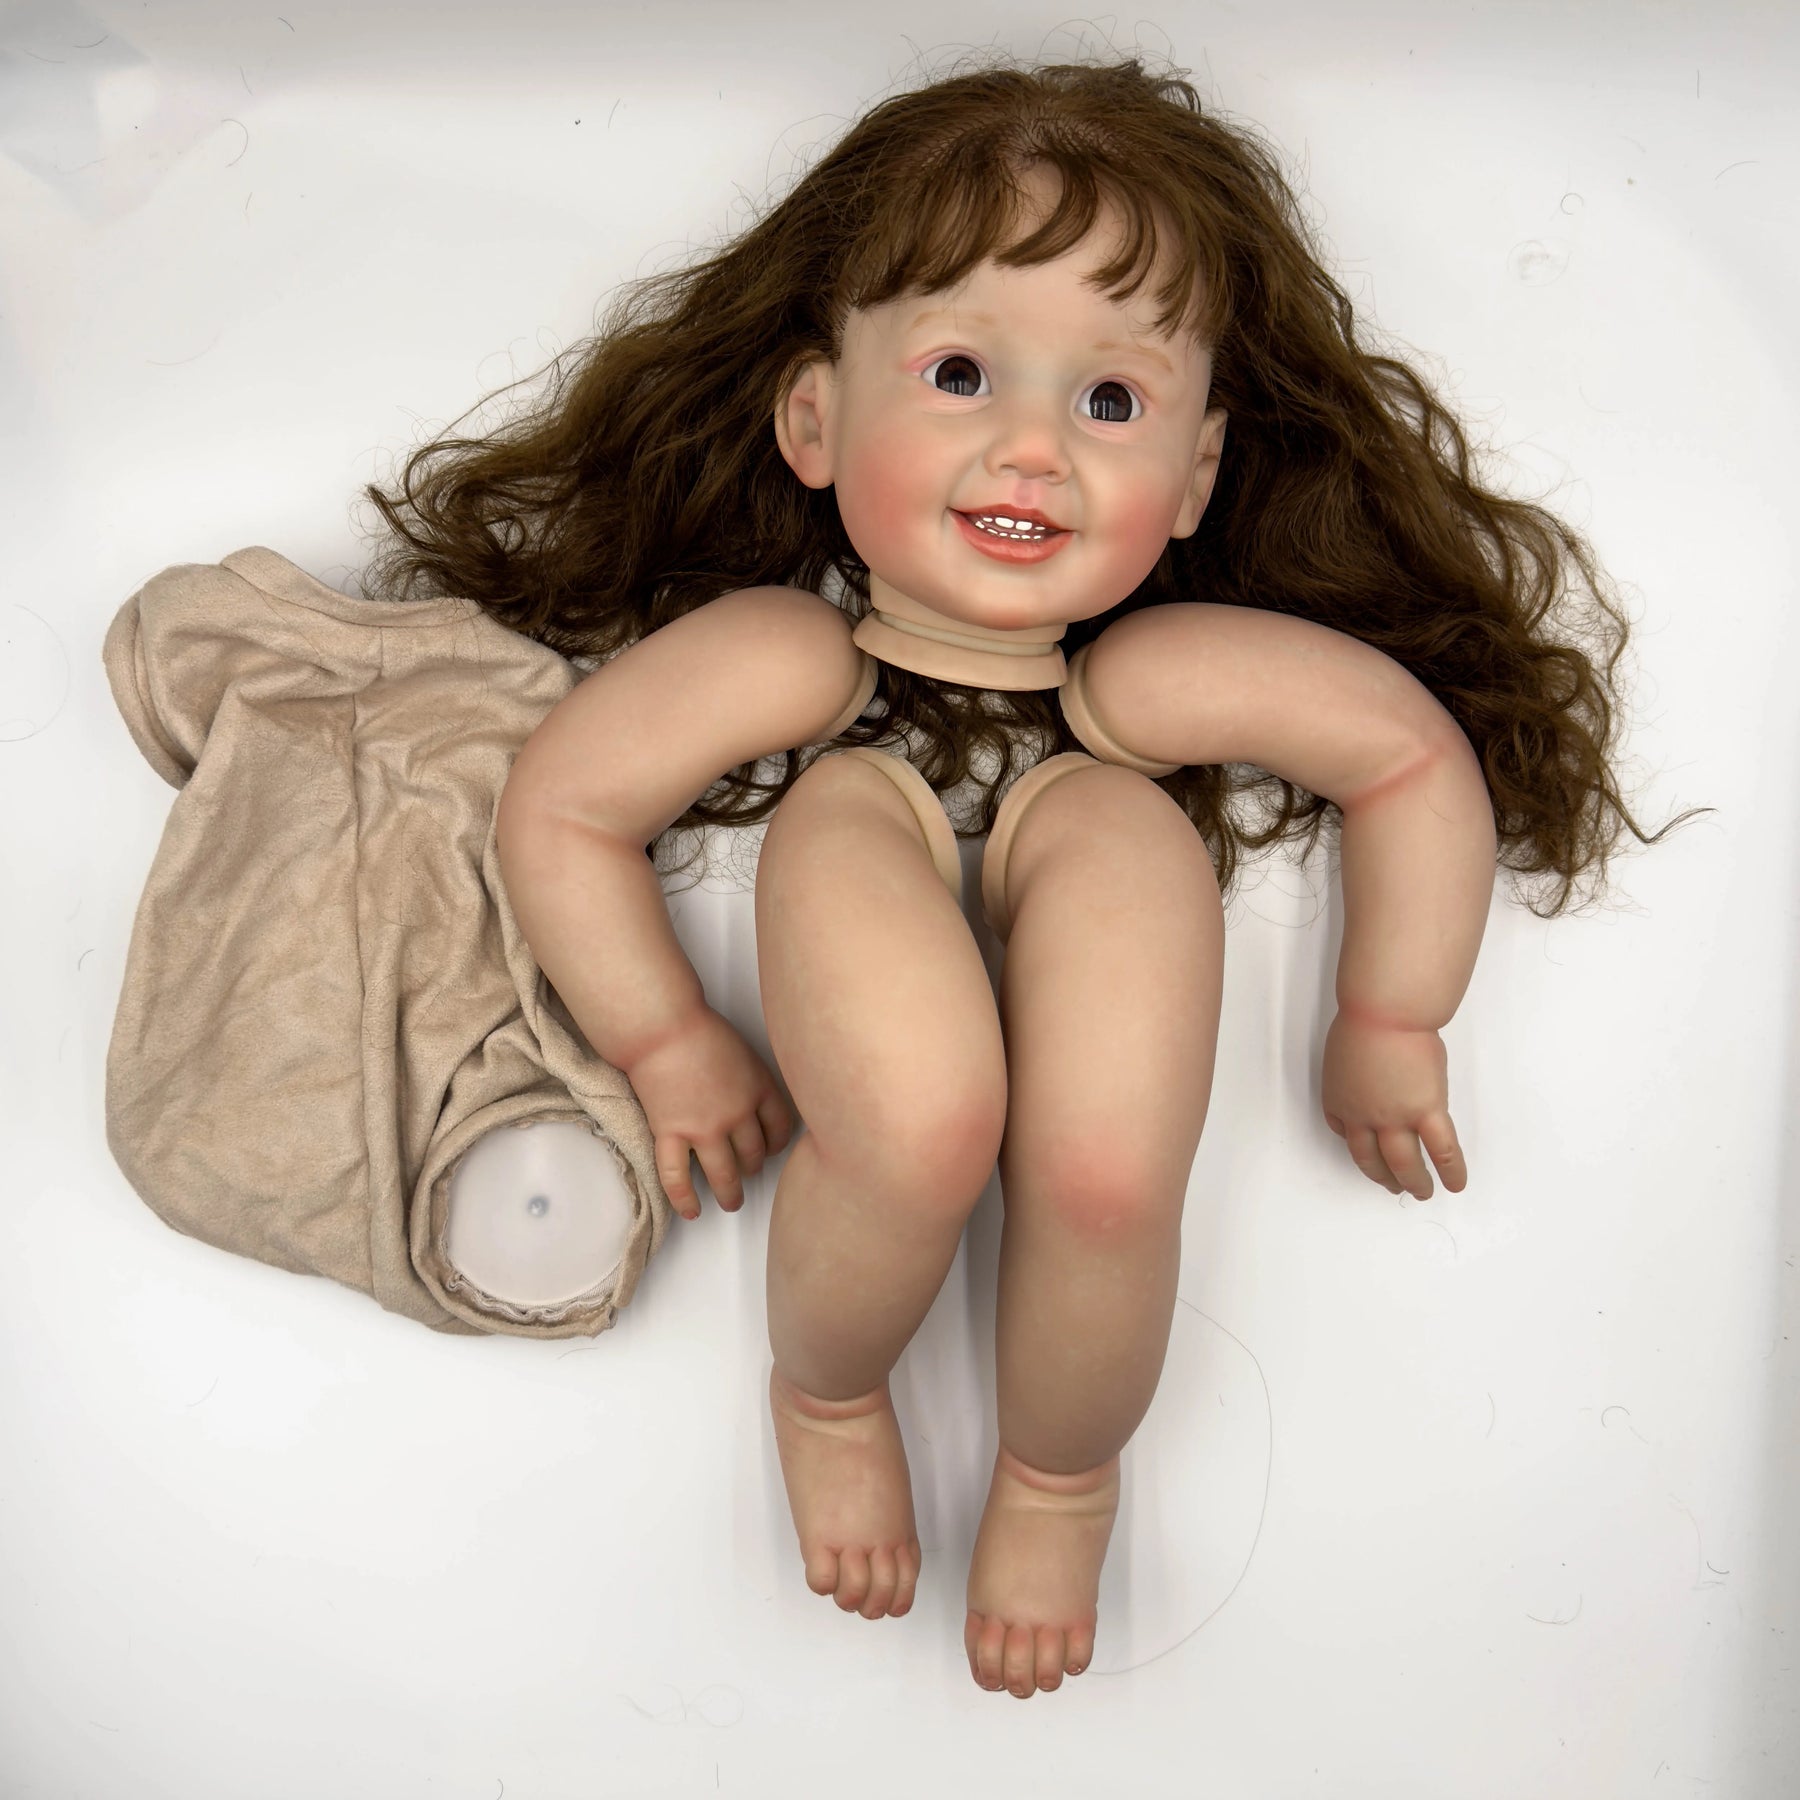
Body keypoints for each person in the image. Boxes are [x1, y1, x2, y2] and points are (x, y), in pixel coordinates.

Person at [357, 55, 1696, 1700]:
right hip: (868, 810)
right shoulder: (789, 655)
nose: (1033, 450)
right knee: (918, 1128)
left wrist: (1395, 1011)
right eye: (961, 373)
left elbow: (1408, 757)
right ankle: (828, 1393)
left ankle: (1061, 1476)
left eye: (1110, 403)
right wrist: (666, 1037)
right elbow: (564, 809)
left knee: (1111, 1178)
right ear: (814, 421)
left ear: (1194, 479)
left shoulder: (1162, 678)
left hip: (1090, 805)